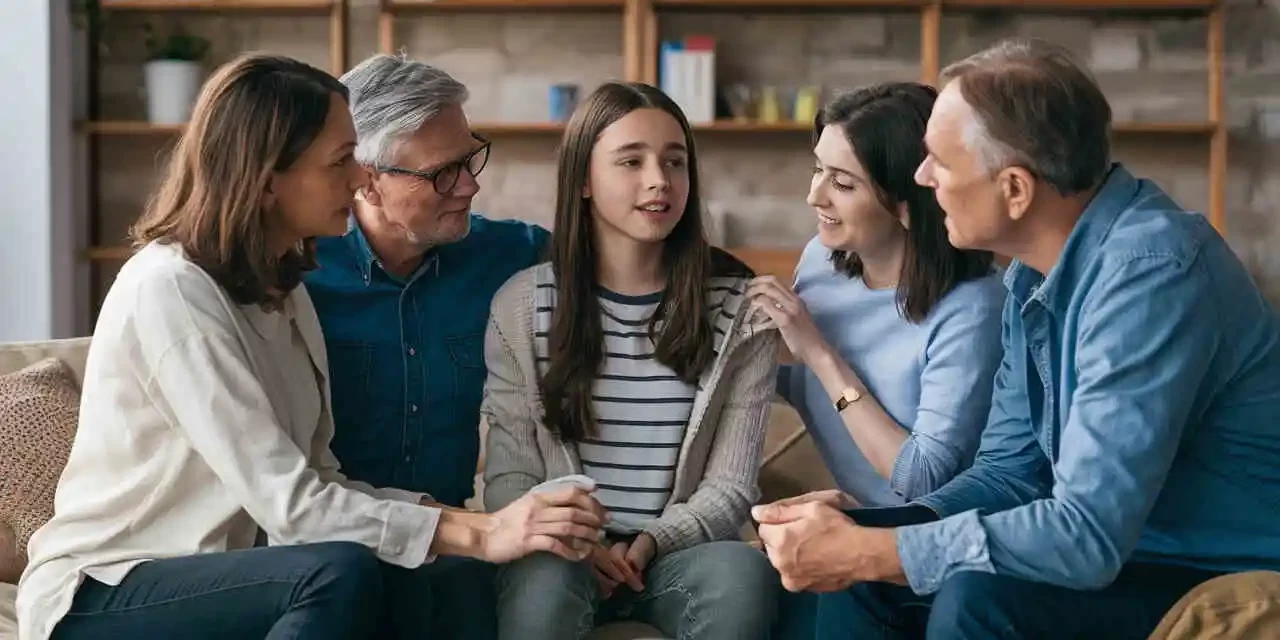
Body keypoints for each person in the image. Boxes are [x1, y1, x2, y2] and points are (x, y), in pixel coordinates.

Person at [15, 53, 605, 640]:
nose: (358, 179)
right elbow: (292, 509)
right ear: (270, 178)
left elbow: (325, 479)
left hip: (235, 575)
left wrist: (489, 526)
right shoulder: (171, 289)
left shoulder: (282, 287)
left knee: (429, 585)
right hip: (112, 587)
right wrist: (483, 534)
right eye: (342, 161)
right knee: (335, 571)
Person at [753, 37, 1280, 640]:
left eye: (940, 164)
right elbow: (1007, 473)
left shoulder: (1150, 274)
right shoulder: (1032, 271)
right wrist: (884, 528)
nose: (921, 179)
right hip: (1124, 557)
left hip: (1208, 565)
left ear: (1015, 190)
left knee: (976, 598)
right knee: (865, 578)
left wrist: (877, 549)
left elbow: (1087, 533)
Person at [481, 81, 782, 640]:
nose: (659, 181)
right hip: (560, 552)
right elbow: (512, 476)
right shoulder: (523, 305)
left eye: (675, 161)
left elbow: (732, 486)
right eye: (631, 161)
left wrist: (651, 543)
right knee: (541, 587)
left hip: (680, 552)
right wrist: (579, 541)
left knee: (743, 574)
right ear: (583, 182)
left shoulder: (741, 308)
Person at [301, 53, 549, 638]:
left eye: (469, 159)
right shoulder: (294, 276)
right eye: (444, 172)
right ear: (364, 177)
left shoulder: (505, 254)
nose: (470, 185)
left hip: (450, 552)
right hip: (331, 554)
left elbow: (622, 258)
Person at [749, 82, 1004, 511]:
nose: (815, 196)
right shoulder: (822, 260)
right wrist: (730, 352)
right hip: (852, 523)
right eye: (818, 170)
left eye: (843, 184)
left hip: (938, 538)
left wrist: (818, 352)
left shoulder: (975, 308)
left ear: (909, 202)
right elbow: (811, 389)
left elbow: (922, 480)